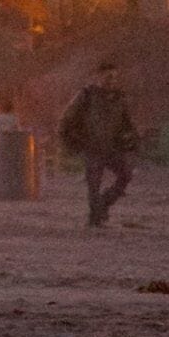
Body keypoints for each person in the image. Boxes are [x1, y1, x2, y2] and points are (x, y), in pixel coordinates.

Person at [59, 60, 141, 227]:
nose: (110, 80)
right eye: (107, 76)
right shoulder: (87, 95)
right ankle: (95, 218)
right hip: (91, 146)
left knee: (125, 175)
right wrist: (71, 140)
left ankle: (103, 204)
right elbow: (67, 118)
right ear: (98, 76)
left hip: (111, 147)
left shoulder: (118, 98)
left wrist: (132, 140)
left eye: (113, 77)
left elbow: (127, 123)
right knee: (94, 184)